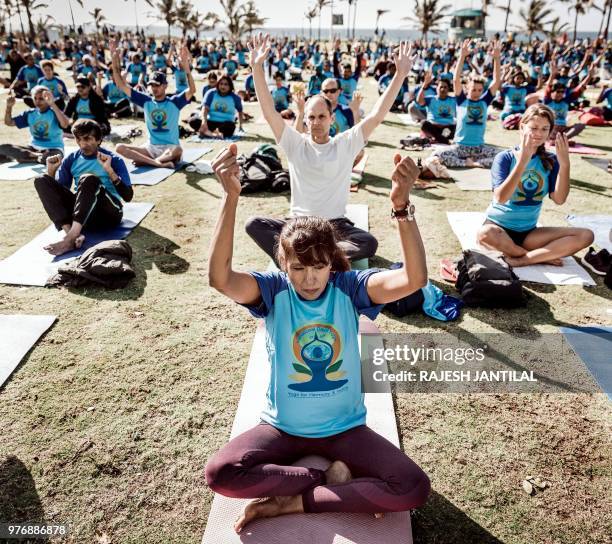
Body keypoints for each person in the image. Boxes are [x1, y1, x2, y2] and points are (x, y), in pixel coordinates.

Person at [205, 143, 430, 534]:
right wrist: (230, 196)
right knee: (222, 474)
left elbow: (414, 279)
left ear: (332, 263)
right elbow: (220, 279)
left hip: (345, 431)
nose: (309, 279)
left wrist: (400, 207)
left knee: (412, 487)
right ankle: (325, 482)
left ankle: (297, 499)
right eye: (298, 268)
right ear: (283, 264)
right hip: (283, 430)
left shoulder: (350, 288)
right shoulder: (273, 291)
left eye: (319, 267)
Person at [244, 34, 415, 264]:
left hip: (334, 226)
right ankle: (321, 257)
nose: (316, 122)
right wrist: (256, 67)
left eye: (321, 116)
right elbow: (269, 112)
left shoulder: (345, 143)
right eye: (311, 117)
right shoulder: (295, 144)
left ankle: (302, 256)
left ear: (331, 118)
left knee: (368, 243)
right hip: (299, 224)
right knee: (254, 224)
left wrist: (400, 75)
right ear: (305, 120)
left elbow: (376, 116)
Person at [476, 104, 593, 267]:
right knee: (484, 234)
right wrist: (523, 161)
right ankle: (538, 256)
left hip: (529, 234)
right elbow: (501, 198)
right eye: (534, 127)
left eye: (545, 129)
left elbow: (559, 199)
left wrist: (565, 165)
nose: (539, 134)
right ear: (522, 127)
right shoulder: (504, 158)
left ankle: (523, 259)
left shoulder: (550, 160)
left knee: (586, 235)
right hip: (498, 230)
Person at [33, 119, 133, 256]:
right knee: (41, 179)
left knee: (88, 178)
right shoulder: (71, 159)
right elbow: (58, 198)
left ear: (99, 139)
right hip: (82, 216)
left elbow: (128, 196)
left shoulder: (114, 159)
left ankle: (70, 239)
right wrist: (51, 172)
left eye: (87, 139)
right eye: (78, 139)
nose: (82, 144)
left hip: (108, 214)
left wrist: (109, 171)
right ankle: (72, 233)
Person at [110, 40, 196, 169]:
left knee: (178, 150)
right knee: (119, 147)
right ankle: (157, 163)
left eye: (157, 85)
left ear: (165, 86)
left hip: (170, 149)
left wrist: (187, 68)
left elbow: (192, 90)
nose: (154, 88)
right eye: (151, 85)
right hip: (150, 148)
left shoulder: (174, 102)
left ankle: (147, 161)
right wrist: (114, 60)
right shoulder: (146, 101)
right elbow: (121, 85)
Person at [432, 39, 502, 168]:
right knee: (438, 154)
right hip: (460, 146)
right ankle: (468, 163)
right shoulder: (461, 100)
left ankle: (474, 163)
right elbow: (455, 79)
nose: (477, 92)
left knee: (503, 157)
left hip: (478, 148)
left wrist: (496, 59)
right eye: (473, 89)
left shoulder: (484, 101)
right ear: (467, 89)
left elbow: (496, 81)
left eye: (480, 90)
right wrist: (462, 56)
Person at [1, 86, 70, 164]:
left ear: (48, 98)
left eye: (41, 99)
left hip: (53, 149)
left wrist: (52, 103)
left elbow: (65, 125)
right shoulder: (30, 113)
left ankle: (30, 157)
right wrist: (9, 107)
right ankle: (33, 156)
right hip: (32, 149)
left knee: (53, 158)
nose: (37, 101)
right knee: (3, 148)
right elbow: (9, 122)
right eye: (35, 98)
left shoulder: (55, 112)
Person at [416, 70, 456, 144]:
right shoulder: (431, 99)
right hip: (433, 128)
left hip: (448, 129)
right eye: (441, 87)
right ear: (437, 88)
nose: (443, 89)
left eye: (445, 87)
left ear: (448, 89)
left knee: (457, 126)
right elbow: (419, 101)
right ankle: (445, 140)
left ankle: (438, 138)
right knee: (423, 124)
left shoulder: (453, 100)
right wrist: (424, 85)